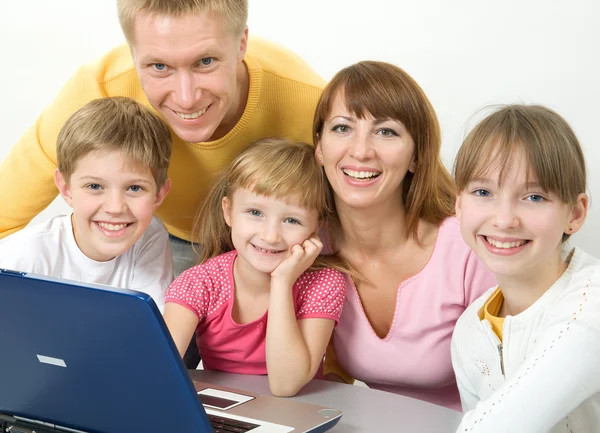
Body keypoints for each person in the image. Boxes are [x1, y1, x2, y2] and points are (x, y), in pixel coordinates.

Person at [0, 0, 326, 277]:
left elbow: (363, 234)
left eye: (205, 62)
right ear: (133, 53)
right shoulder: (99, 88)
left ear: (242, 43)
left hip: (283, 243)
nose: (186, 99)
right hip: (171, 241)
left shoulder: (309, 102)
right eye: (159, 66)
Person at [313, 61, 496, 410]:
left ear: (416, 156)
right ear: (320, 148)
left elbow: (510, 386)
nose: (361, 150)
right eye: (342, 128)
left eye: (386, 132)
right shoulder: (309, 248)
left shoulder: (466, 247)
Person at [451, 105, 598, 432]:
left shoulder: (592, 307)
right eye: (483, 192)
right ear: (458, 205)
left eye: (533, 197)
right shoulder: (469, 328)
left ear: (575, 213)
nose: (504, 219)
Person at [163, 138, 349, 397]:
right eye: (255, 213)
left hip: (296, 412)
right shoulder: (199, 282)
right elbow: (157, 374)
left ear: (316, 227)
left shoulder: (323, 283)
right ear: (228, 212)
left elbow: (285, 385)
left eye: (291, 220)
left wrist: (282, 283)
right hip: (222, 413)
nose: (271, 235)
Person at [0, 97, 173, 311]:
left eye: (134, 188)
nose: (115, 207)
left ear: (159, 194)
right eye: (94, 186)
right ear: (65, 188)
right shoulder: (22, 255)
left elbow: (150, 334)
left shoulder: (151, 237)